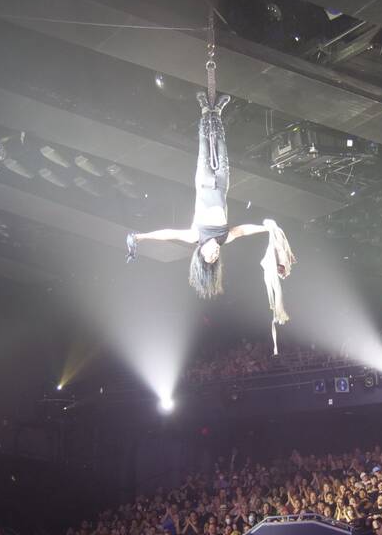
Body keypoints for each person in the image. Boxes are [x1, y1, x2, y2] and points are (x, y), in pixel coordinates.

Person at [125, 90, 294, 352]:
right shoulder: (224, 238)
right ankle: (218, 112)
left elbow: (168, 233)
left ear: (200, 253)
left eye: (210, 256)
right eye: (217, 257)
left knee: (206, 143)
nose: (215, 253)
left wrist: (141, 237)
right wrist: (266, 227)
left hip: (204, 182)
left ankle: (206, 108)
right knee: (222, 146)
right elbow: (244, 230)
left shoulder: (196, 236)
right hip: (222, 183)